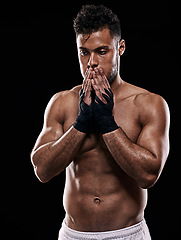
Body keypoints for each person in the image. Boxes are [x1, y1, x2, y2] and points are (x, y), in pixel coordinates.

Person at [31, 5, 170, 240]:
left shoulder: (148, 104)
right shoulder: (62, 102)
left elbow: (149, 176)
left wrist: (107, 124)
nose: (91, 62)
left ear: (120, 48)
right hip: (74, 234)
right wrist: (80, 124)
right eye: (84, 52)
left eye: (102, 51)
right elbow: (42, 170)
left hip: (128, 234)